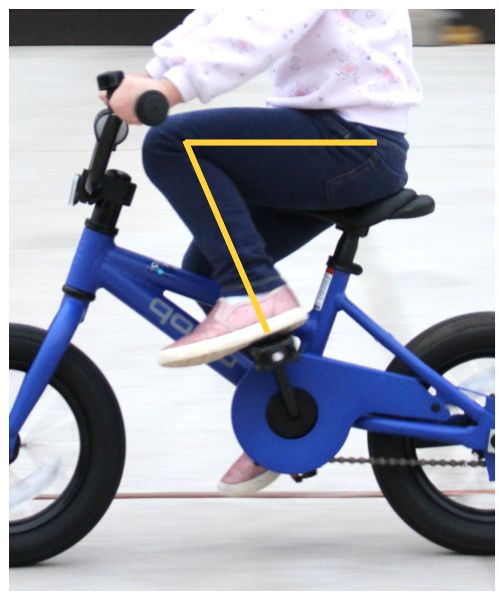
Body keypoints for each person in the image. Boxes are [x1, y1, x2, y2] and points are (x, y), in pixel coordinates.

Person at [103, 9, 422, 496]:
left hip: (354, 142)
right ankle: (286, 410)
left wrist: (171, 88)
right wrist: (152, 71)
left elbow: (262, 26)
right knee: (208, 270)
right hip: (334, 137)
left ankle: (254, 292)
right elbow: (222, 13)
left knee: (174, 145)